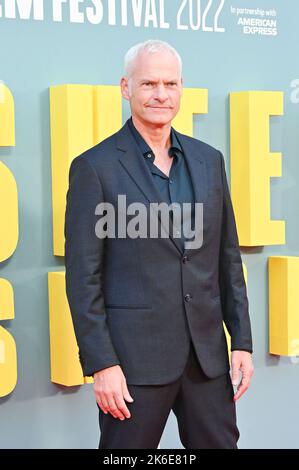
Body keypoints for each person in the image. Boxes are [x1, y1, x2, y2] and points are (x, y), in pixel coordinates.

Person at [64, 39, 254, 449]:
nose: (161, 94)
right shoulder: (94, 168)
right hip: (133, 365)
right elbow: (84, 278)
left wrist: (240, 340)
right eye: (149, 83)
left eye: (170, 83)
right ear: (125, 88)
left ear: (182, 88)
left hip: (207, 359)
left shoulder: (210, 160)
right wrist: (102, 364)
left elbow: (227, 259)